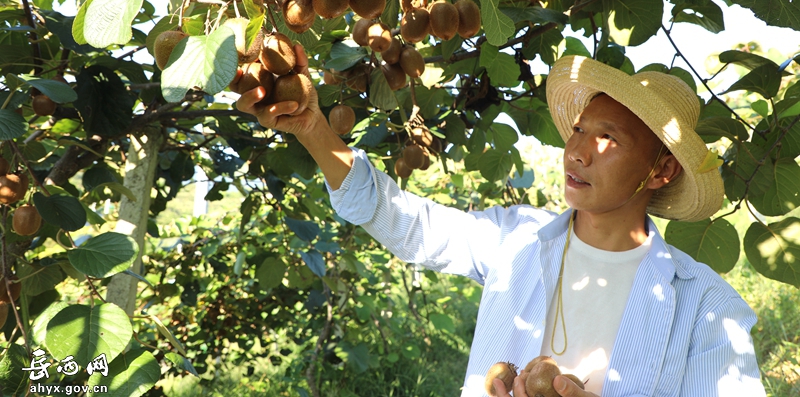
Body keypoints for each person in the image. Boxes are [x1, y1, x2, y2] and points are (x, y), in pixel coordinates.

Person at [236, 49, 766, 397]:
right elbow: (402, 221)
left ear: (662, 169)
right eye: (578, 129)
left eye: (607, 137)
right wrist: (312, 129)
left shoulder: (707, 309)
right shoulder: (515, 239)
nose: (577, 151)